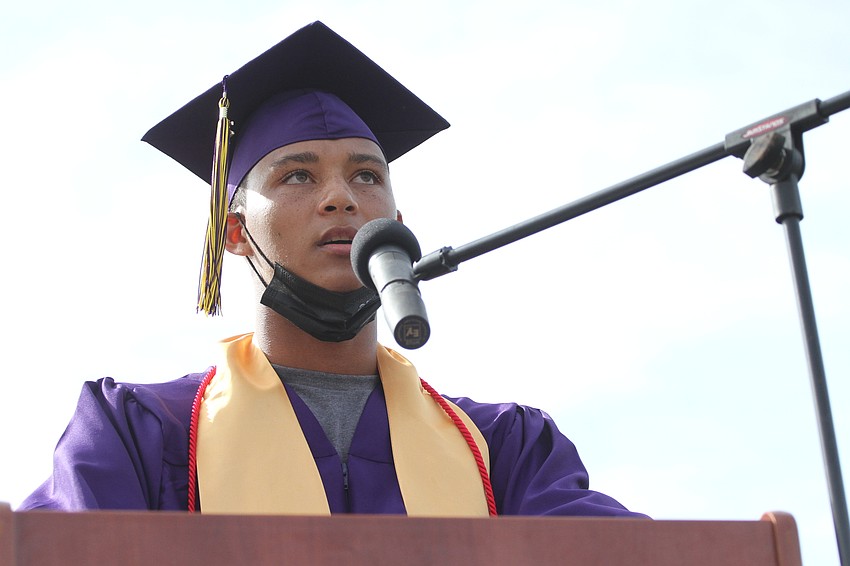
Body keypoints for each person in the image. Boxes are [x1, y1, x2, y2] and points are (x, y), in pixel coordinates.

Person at [20, 21, 645, 518]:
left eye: (366, 176)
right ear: (234, 232)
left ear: (396, 220)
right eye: (298, 174)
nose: (341, 197)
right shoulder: (144, 436)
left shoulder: (502, 450)